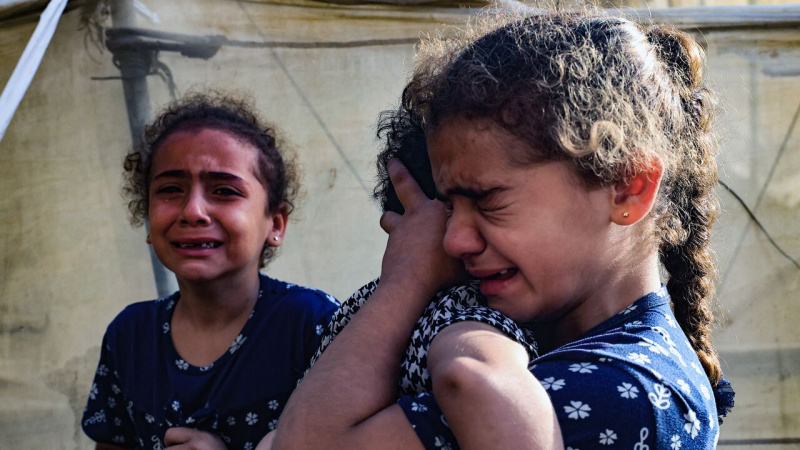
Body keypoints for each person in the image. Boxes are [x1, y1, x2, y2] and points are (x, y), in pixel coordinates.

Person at [271, 9, 733, 450]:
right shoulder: (549, 340)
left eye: (488, 199)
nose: (452, 241)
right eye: (447, 207)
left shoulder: (616, 394)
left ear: (627, 187)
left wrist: (406, 282)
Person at [81, 92, 339, 449]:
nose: (193, 211)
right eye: (171, 189)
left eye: (224, 191)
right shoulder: (130, 336)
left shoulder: (313, 324)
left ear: (275, 224)